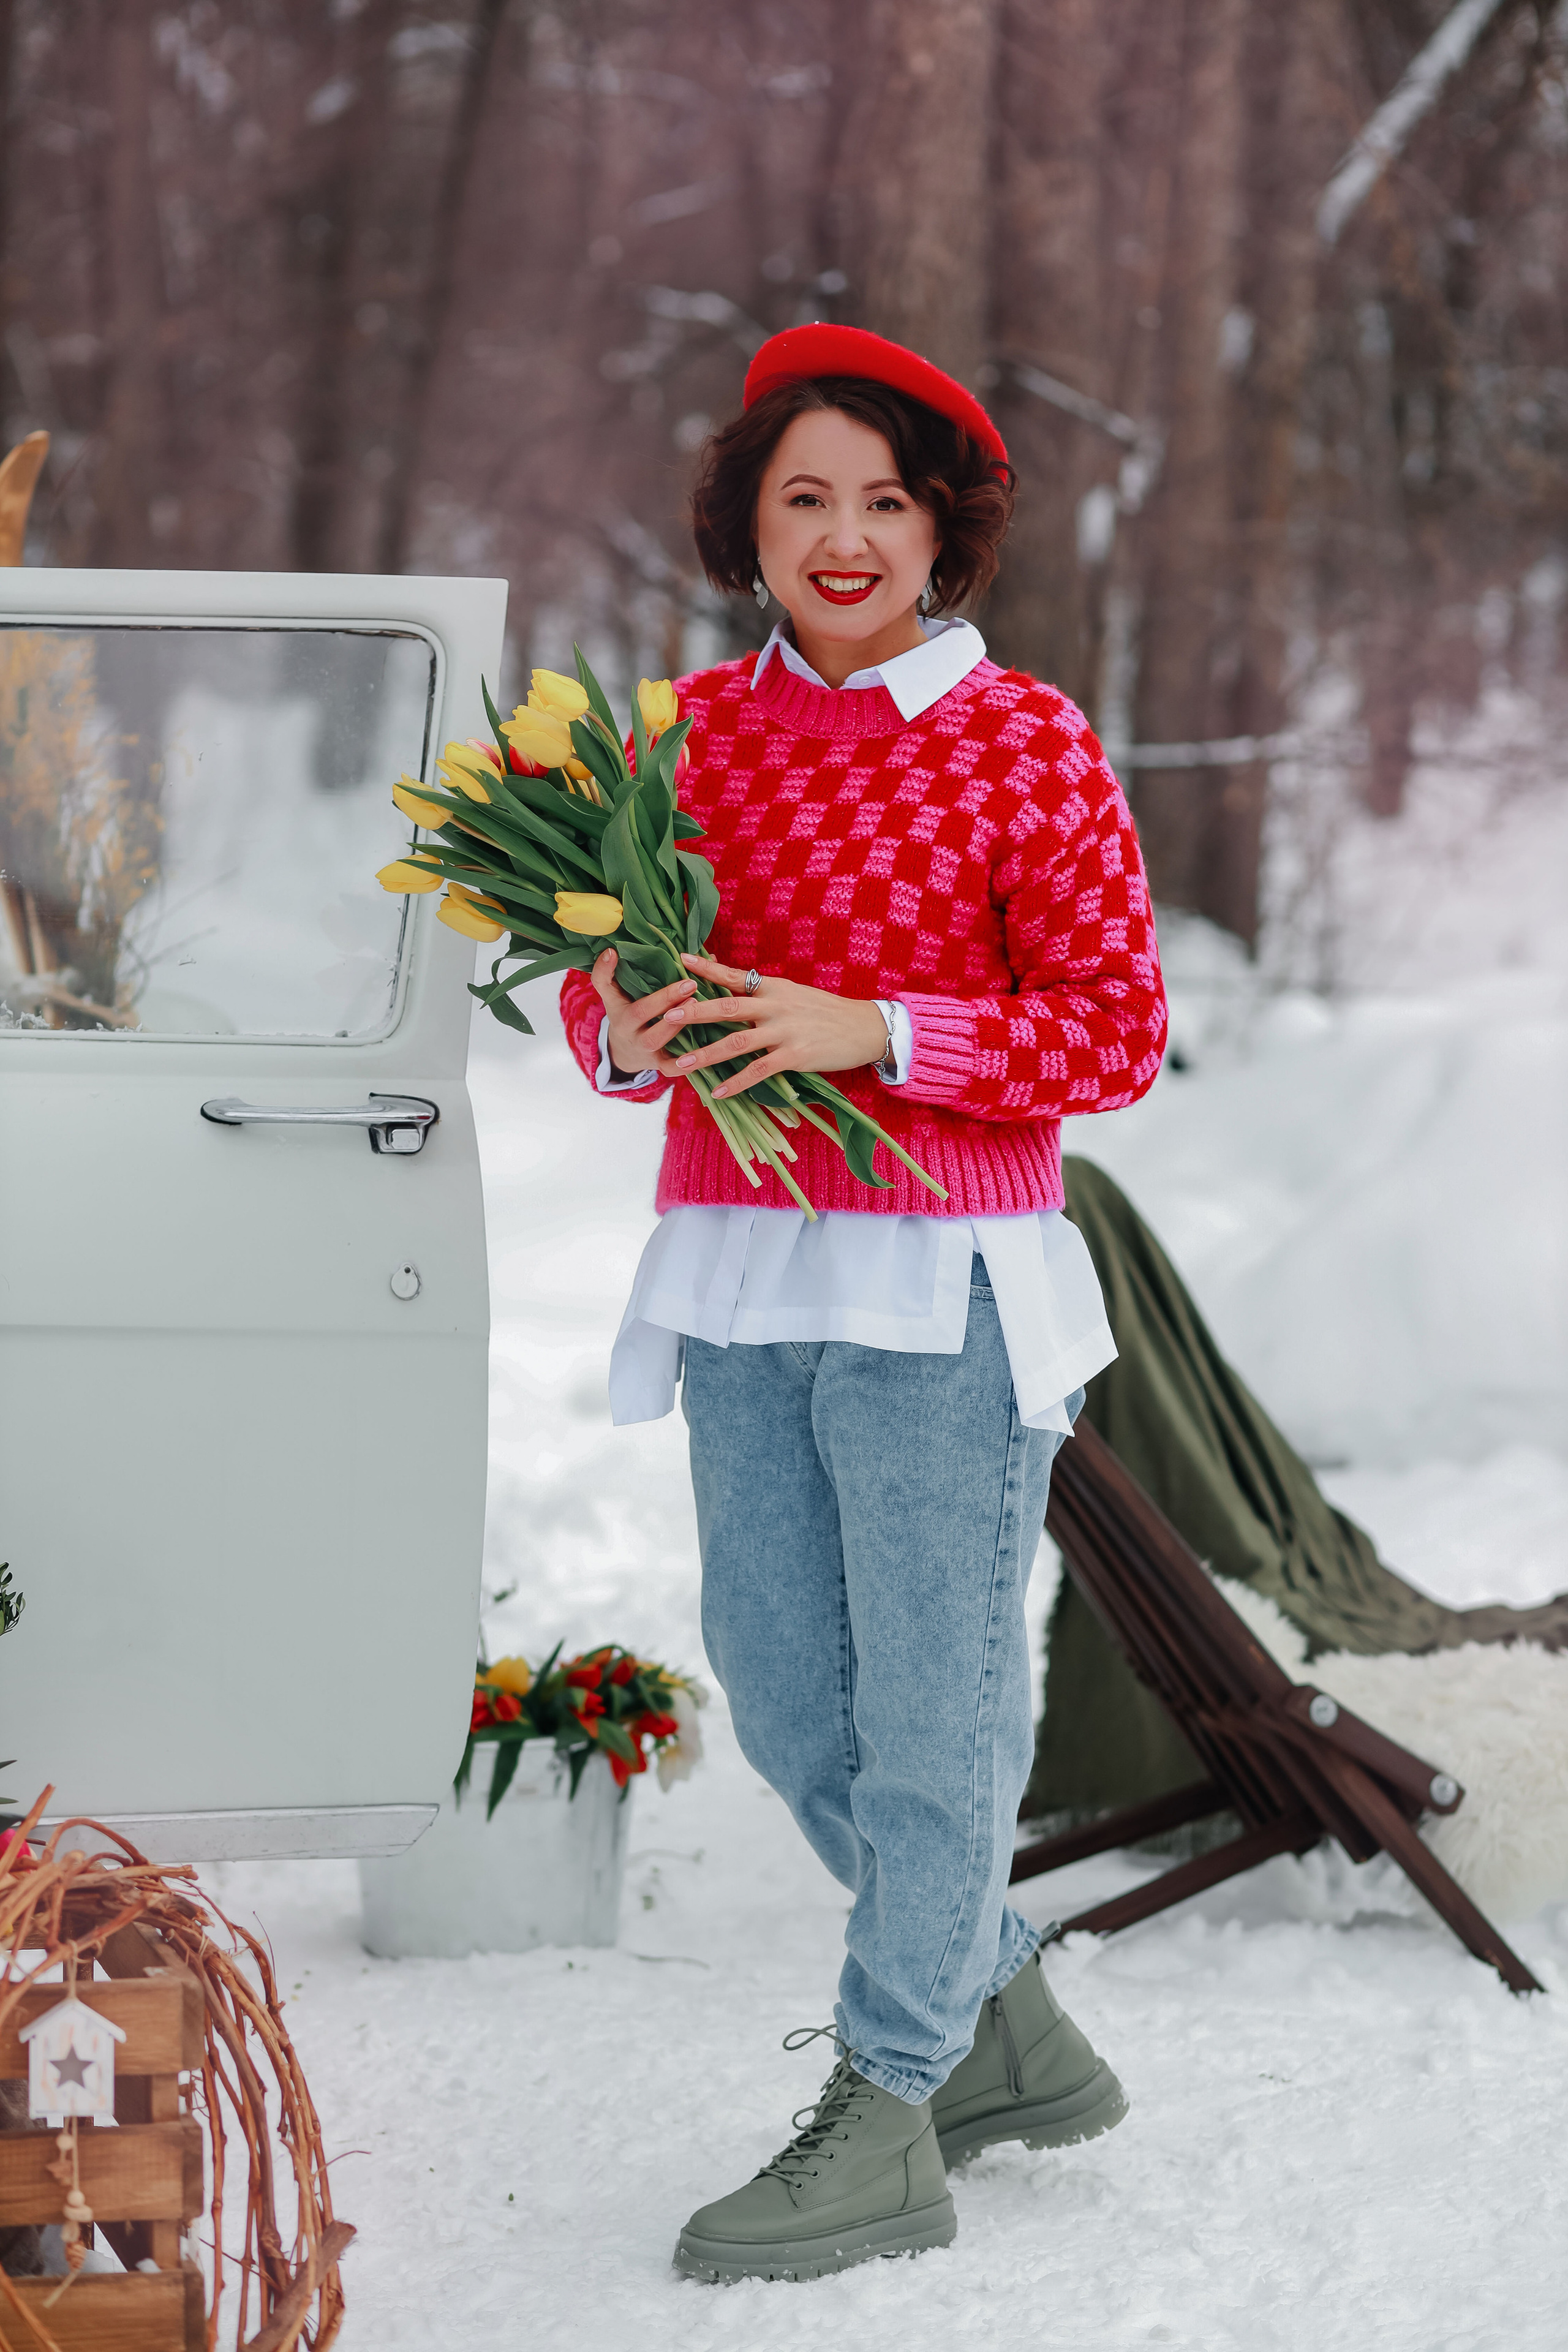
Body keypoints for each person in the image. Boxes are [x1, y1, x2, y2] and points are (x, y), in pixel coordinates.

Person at [559, 323, 1167, 2282]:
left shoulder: (1027, 742)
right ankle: (1003, 2011)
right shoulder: (674, 743)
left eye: (882, 502)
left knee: (934, 1709)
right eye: (802, 496)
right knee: (784, 1686)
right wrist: (630, 1024)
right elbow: (597, 995)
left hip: (943, 1275)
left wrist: (872, 1026)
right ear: (746, 521)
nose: (842, 538)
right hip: (743, 1262)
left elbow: (1119, 1033)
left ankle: (897, 2096)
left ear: (942, 533)